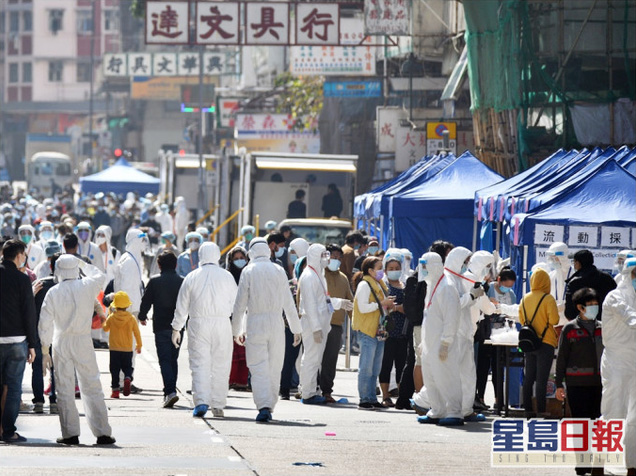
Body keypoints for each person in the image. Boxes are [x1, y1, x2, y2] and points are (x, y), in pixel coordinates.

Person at [39, 255, 115, 445]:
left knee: (64, 388)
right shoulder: (87, 286)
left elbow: (45, 324)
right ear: (76, 269)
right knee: (92, 385)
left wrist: (44, 350)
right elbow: (100, 274)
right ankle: (103, 433)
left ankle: (70, 434)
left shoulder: (53, 292)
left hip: (61, 341)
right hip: (83, 340)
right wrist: (81, 263)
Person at [232, 238, 302, 422]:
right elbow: (288, 302)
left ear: (251, 253)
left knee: (258, 366)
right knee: (274, 366)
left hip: (255, 322)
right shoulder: (279, 270)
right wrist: (296, 329)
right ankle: (270, 404)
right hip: (276, 322)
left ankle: (263, 405)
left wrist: (236, 330)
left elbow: (240, 304)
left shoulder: (248, 271)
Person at [172, 242, 237, 419]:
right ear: (217, 255)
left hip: (198, 324)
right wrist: (240, 329)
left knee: (199, 364)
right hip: (222, 323)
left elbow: (182, 305)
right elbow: (236, 305)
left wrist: (176, 328)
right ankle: (218, 405)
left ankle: (201, 402)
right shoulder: (227, 276)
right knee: (221, 365)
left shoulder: (192, 277)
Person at [298, 244, 353, 404]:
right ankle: (307, 394)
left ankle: (312, 391)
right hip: (312, 324)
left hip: (321, 324)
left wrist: (339, 303)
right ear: (315, 256)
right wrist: (315, 328)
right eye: (324, 255)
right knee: (311, 359)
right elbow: (309, 305)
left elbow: (323, 301)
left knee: (315, 360)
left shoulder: (318, 275)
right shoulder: (309, 276)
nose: (327, 259)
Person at [414, 252, 463, 425]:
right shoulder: (432, 285)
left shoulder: (447, 287)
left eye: (426, 266)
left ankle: (454, 412)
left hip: (442, 344)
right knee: (431, 378)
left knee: (447, 378)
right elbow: (429, 316)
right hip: (430, 344)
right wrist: (423, 342)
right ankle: (437, 410)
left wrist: (446, 342)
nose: (424, 270)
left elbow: (452, 317)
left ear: (435, 266)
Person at [600, 257, 636, 476]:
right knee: (613, 412)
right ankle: (599, 464)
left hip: (635, 362)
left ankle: (632, 464)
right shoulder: (614, 297)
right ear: (627, 274)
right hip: (616, 362)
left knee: (635, 417)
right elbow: (629, 316)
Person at [444, 247, 488, 423]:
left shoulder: (458, 279)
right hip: (455, 333)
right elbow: (454, 305)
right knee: (453, 374)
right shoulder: (448, 281)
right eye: (465, 262)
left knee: (467, 374)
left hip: (464, 331)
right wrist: (471, 296)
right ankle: (428, 403)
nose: (466, 266)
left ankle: (466, 409)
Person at [0, 239, 37, 442]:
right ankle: (8, 431)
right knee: (13, 387)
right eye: (24, 254)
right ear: (18, 255)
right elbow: (29, 314)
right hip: (17, 341)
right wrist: (33, 344)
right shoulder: (23, 280)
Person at [139, 250, 184, 408]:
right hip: (178, 326)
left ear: (159, 265)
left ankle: (170, 391)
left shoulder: (155, 281)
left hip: (160, 326)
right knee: (173, 359)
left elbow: (146, 301)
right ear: (176, 264)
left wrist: (142, 316)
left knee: (164, 360)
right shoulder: (182, 281)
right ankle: (170, 390)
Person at [352, 257, 395, 410]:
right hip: (367, 330)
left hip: (379, 330)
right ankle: (364, 399)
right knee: (366, 367)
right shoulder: (364, 285)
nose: (382, 271)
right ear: (370, 270)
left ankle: (371, 397)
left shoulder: (379, 284)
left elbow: (379, 306)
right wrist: (382, 304)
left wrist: (388, 304)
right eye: (379, 267)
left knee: (375, 367)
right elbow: (362, 308)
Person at [555, 288, 603, 422]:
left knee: (597, 423)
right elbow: (562, 357)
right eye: (590, 305)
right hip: (576, 384)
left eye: (596, 304)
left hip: (599, 383)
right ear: (580, 307)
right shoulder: (569, 329)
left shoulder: (602, 328)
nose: (594, 308)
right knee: (580, 422)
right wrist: (559, 384)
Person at [519, 267, 560, 418]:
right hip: (546, 342)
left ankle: (528, 410)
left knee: (529, 377)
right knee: (542, 378)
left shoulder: (524, 298)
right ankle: (541, 410)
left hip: (529, 342)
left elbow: (522, 320)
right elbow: (554, 320)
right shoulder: (548, 299)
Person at [479, 267, 518, 409]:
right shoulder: (489, 289)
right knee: (483, 366)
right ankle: (480, 398)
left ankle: (498, 399)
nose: (508, 289)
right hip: (487, 332)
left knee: (498, 367)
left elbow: (513, 312)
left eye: (510, 287)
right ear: (499, 280)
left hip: (503, 334)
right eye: (506, 285)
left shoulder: (511, 295)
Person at [320, 244, 354, 403]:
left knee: (330, 360)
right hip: (317, 324)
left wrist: (355, 321)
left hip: (336, 325)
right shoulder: (319, 275)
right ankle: (308, 389)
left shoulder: (343, 278)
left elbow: (350, 301)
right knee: (313, 358)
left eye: (339, 258)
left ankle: (327, 391)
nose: (337, 260)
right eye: (333, 257)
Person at [32, 252, 61, 415]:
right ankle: (54, 400)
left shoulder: (39, 284)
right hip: (59, 332)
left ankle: (38, 401)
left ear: (50, 266)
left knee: (37, 367)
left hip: (38, 332)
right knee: (56, 368)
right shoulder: (66, 285)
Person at [379, 251, 409, 408]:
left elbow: (409, 308)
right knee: (385, 364)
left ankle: (401, 395)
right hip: (387, 333)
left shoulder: (405, 287)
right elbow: (382, 306)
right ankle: (385, 395)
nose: (394, 270)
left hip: (403, 333)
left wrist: (395, 307)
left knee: (401, 366)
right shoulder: (383, 287)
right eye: (390, 268)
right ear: (385, 270)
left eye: (396, 267)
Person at [103, 291, 142, 398]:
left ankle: (115, 391)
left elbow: (105, 328)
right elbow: (137, 333)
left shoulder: (112, 317)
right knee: (127, 367)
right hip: (127, 349)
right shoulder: (131, 318)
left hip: (114, 349)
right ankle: (128, 377)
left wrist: (109, 314)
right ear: (127, 306)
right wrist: (139, 345)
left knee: (114, 370)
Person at [565, 250, 617, 321]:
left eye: (574, 262)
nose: (574, 264)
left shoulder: (575, 282)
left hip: (582, 324)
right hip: (606, 321)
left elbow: (569, 310)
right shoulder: (606, 278)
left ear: (578, 263)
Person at [225, 246, 250, 390]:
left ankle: (241, 381)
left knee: (244, 351)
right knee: (231, 352)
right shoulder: (227, 276)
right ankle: (230, 380)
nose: (240, 261)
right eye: (236, 259)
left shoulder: (249, 274)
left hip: (247, 316)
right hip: (230, 317)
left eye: (242, 258)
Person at [546, 242, 573, 326]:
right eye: (551, 258)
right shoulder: (551, 276)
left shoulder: (575, 275)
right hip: (554, 322)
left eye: (554, 258)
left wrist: (565, 306)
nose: (552, 261)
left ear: (563, 257)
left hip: (571, 322)